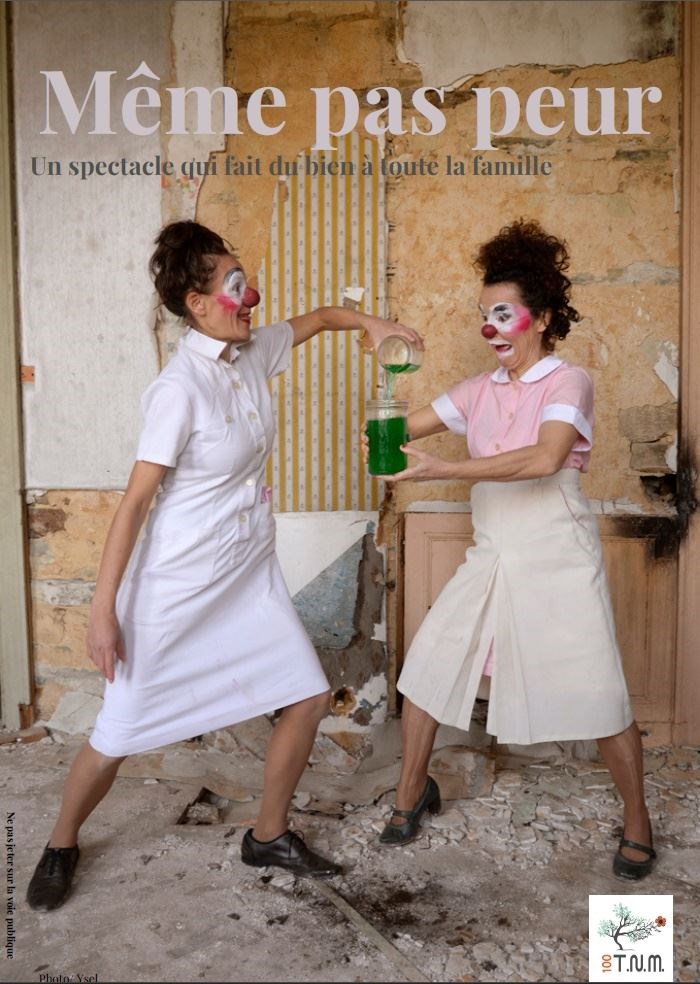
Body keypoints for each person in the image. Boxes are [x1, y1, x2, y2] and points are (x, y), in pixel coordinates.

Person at [27, 220, 423, 911]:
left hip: (246, 572)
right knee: (118, 733)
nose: (253, 295)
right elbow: (134, 505)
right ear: (197, 302)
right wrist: (102, 611)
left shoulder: (251, 351)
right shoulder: (178, 389)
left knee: (306, 695)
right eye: (236, 285)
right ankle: (61, 842)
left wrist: (372, 322)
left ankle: (268, 835)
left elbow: (319, 318)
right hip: (177, 584)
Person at [374, 219, 655, 881]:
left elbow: (545, 457)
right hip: (493, 550)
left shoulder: (568, 382)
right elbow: (399, 429)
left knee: (600, 690)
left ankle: (638, 817)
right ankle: (412, 793)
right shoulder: (478, 391)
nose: (490, 328)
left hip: (557, 552)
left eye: (503, 314)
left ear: (543, 318)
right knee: (428, 666)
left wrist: (440, 469)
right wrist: (383, 396)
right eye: (484, 315)